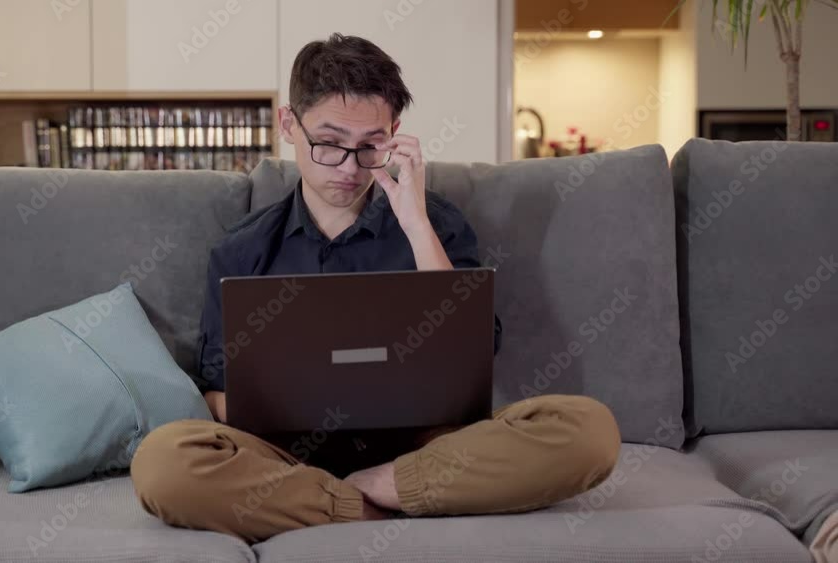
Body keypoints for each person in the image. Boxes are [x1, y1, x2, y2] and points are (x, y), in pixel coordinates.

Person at [130, 32, 621, 544]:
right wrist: (301, 405)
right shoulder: (242, 251)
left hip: (430, 448)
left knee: (589, 432)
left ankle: (376, 491)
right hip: (288, 457)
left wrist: (413, 221)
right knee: (165, 464)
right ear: (288, 125)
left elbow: (471, 350)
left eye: (370, 147)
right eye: (328, 142)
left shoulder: (436, 226)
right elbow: (216, 396)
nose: (348, 167)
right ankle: (370, 504)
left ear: (395, 135)